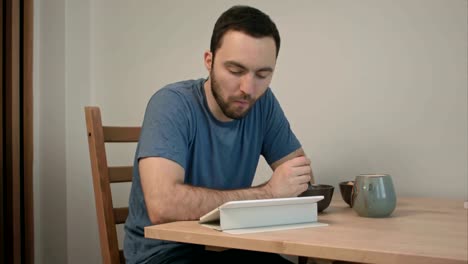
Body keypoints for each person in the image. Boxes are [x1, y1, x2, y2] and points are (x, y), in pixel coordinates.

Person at [124, 5, 314, 264]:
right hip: (165, 255)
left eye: (262, 74)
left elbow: (302, 179)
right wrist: (269, 193)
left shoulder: (263, 103)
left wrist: (291, 185)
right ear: (209, 61)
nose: (248, 88)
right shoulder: (171, 104)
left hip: (230, 247)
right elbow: (164, 206)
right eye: (236, 71)